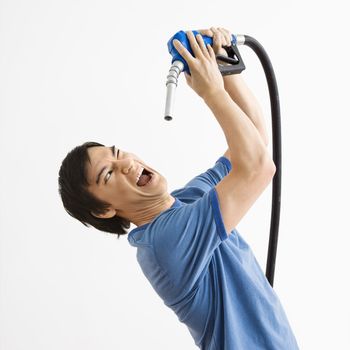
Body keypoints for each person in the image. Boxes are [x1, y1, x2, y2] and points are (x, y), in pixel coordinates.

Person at [58, 27, 299, 349]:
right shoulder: (163, 242)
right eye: (109, 174)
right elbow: (257, 167)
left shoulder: (189, 199)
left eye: (118, 154)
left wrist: (223, 65)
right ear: (104, 209)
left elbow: (254, 138)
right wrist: (210, 92)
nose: (127, 163)